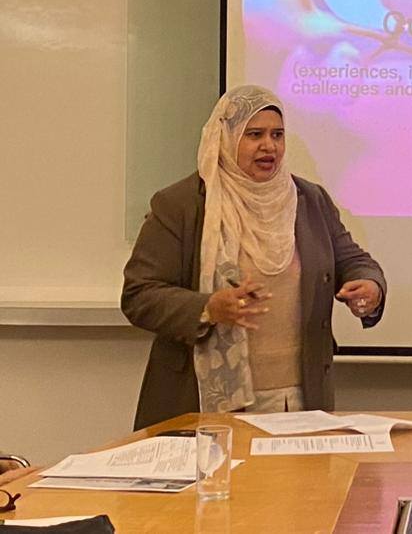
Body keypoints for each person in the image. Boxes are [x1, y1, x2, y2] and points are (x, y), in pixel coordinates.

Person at [122, 85, 386, 429]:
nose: (269, 146)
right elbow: (139, 295)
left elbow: (353, 260)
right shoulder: (180, 205)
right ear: (226, 138)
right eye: (254, 134)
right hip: (206, 399)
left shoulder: (309, 199)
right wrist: (209, 307)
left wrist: (368, 285)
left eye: (277, 135)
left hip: (299, 399)